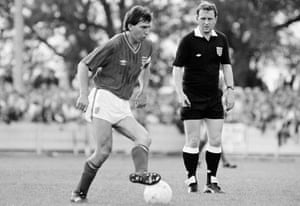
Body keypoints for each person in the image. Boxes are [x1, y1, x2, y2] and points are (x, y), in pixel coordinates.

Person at [70, 6, 161, 203]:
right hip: (103, 98)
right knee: (103, 151)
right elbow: (83, 65)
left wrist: (143, 90)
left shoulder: (148, 46)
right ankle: (79, 192)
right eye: (143, 27)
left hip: (122, 103)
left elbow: (146, 66)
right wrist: (83, 94)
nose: (147, 32)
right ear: (129, 26)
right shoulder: (115, 43)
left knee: (144, 138)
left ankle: (141, 173)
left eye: (149, 28)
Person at [172, 1, 235, 194]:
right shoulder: (187, 40)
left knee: (215, 140)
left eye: (210, 19)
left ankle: (211, 180)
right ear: (197, 19)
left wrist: (230, 89)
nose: (206, 22)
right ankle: (191, 178)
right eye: (203, 19)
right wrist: (180, 93)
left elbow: (226, 65)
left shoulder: (221, 40)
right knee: (192, 140)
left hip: (214, 98)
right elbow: (176, 69)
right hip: (191, 98)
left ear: (215, 19)